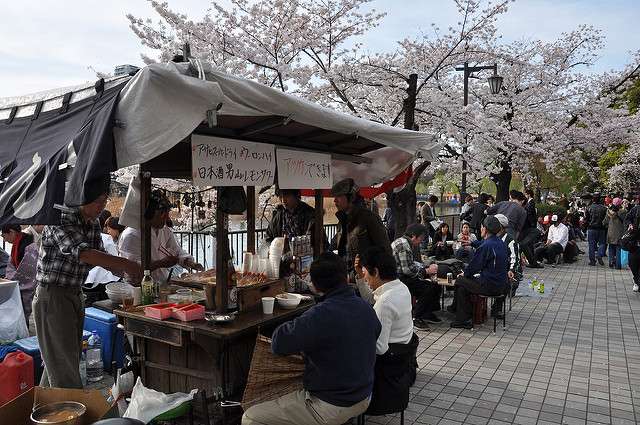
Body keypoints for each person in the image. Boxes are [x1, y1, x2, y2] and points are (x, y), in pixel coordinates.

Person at [241, 252, 380, 425]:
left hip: (331, 404)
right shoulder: (366, 308)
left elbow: (278, 343)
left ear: (314, 285)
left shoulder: (319, 315)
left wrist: (301, 320)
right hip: (364, 395)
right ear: (345, 277)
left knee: (251, 417)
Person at [33, 178, 141, 389]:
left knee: (62, 361)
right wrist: (127, 264)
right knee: (64, 368)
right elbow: (84, 254)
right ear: (80, 197)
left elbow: (99, 256)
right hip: (53, 296)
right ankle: (71, 418)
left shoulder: (92, 221)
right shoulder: (60, 215)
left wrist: (125, 273)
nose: (101, 207)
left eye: (104, 201)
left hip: (74, 294)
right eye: (96, 201)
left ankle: (43, 414)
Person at [119, 189, 204, 283]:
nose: (167, 218)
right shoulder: (131, 235)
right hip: (138, 287)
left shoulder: (165, 230)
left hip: (163, 282)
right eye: (162, 214)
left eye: (167, 214)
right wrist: (160, 263)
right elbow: (132, 268)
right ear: (150, 214)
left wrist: (189, 262)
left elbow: (176, 250)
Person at [450, 216, 509, 329]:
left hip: (490, 285)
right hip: (501, 284)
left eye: (482, 227)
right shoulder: (500, 243)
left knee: (459, 280)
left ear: (485, 229)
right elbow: (483, 245)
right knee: (462, 287)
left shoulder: (487, 246)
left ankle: (460, 314)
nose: (481, 229)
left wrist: (464, 274)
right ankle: (463, 317)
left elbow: (474, 266)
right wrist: (472, 243)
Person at [355, 247, 413, 354]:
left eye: (364, 273)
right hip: (405, 348)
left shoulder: (385, 302)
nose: (365, 278)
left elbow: (379, 348)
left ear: (376, 272)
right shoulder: (401, 287)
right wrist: (360, 275)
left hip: (390, 359)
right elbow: (370, 299)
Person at [331, 178, 391, 279]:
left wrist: (374, 277)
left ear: (351, 197)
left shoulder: (369, 218)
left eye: (339, 196)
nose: (335, 200)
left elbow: (385, 251)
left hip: (367, 278)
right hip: (346, 278)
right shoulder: (342, 221)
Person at [390, 224, 441, 329]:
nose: (420, 242)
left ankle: (426, 313)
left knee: (435, 285)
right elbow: (407, 270)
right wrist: (426, 270)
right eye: (420, 239)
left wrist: (425, 266)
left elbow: (410, 263)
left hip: (404, 276)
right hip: (398, 279)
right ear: (413, 236)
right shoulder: (403, 245)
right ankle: (416, 317)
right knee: (428, 288)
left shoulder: (404, 242)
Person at [2, 225, 38, 323]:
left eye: (4, 236)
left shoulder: (29, 246)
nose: (4, 240)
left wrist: (10, 280)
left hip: (26, 286)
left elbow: (28, 272)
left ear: (11, 232)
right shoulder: (17, 243)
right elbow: (11, 266)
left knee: (22, 313)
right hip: (17, 282)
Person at [494, 214, 522, 292]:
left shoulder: (510, 240)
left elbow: (515, 259)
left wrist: (511, 270)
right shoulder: (493, 238)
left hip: (508, 271)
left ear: (501, 227)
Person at [521, 189, 543, 268]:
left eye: (526, 194)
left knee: (528, 244)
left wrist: (532, 223)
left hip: (530, 226)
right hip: (529, 225)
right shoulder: (529, 202)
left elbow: (530, 214)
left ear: (529, 194)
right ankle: (532, 260)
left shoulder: (531, 202)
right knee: (528, 244)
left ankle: (532, 260)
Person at [584, 193, 608, 266]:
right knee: (602, 243)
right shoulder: (604, 208)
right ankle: (600, 254)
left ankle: (592, 261)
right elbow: (606, 219)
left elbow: (586, 219)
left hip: (591, 228)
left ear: (593, 199)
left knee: (591, 244)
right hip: (601, 228)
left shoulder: (588, 208)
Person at [604, 199, 626, 269]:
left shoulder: (608, 212)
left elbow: (605, 222)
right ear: (620, 204)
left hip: (611, 232)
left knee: (611, 247)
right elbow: (626, 222)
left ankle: (611, 262)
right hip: (620, 232)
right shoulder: (623, 212)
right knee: (619, 248)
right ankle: (618, 265)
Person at [624, 200, 640, 292]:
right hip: (635, 243)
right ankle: (636, 280)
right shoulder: (635, 209)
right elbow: (628, 218)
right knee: (633, 263)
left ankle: (637, 281)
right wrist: (629, 224)